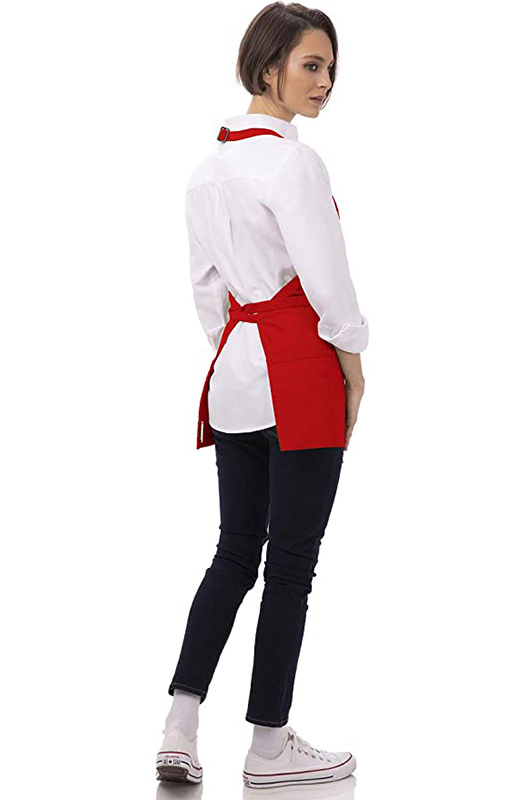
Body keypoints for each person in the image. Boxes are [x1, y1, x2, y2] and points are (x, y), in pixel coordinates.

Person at [155, 2, 368, 789]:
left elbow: (206, 294)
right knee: (291, 567)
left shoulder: (205, 172)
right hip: (300, 373)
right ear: (269, 65)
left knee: (235, 552)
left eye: (331, 68)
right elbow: (328, 281)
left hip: (235, 376)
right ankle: (269, 746)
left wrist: (240, 357)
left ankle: (180, 725)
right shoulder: (294, 165)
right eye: (311, 65)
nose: (325, 81)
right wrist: (353, 363)